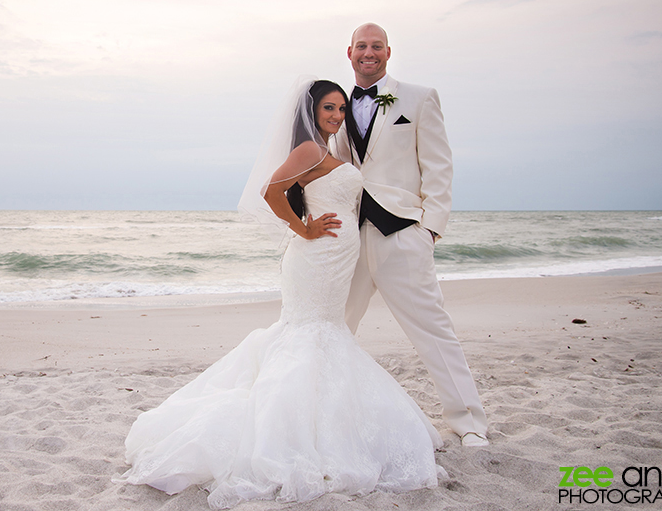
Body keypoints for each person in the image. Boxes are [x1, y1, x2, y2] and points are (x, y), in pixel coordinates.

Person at [115, 79, 442, 509]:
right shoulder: (309, 149)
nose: (337, 116)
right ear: (311, 111)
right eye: (329, 108)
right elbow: (271, 191)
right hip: (316, 257)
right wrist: (303, 227)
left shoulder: (330, 150)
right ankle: (293, 433)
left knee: (325, 333)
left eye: (341, 109)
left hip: (337, 257)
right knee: (310, 333)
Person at [332, 23, 489, 447]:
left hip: (402, 231)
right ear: (349, 53)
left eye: (376, 46)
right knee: (333, 326)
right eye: (361, 46)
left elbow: (439, 164)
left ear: (388, 51)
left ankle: (468, 420)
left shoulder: (419, 98)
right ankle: (323, 413)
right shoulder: (337, 105)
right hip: (349, 236)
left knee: (431, 328)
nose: (369, 53)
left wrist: (431, 227)